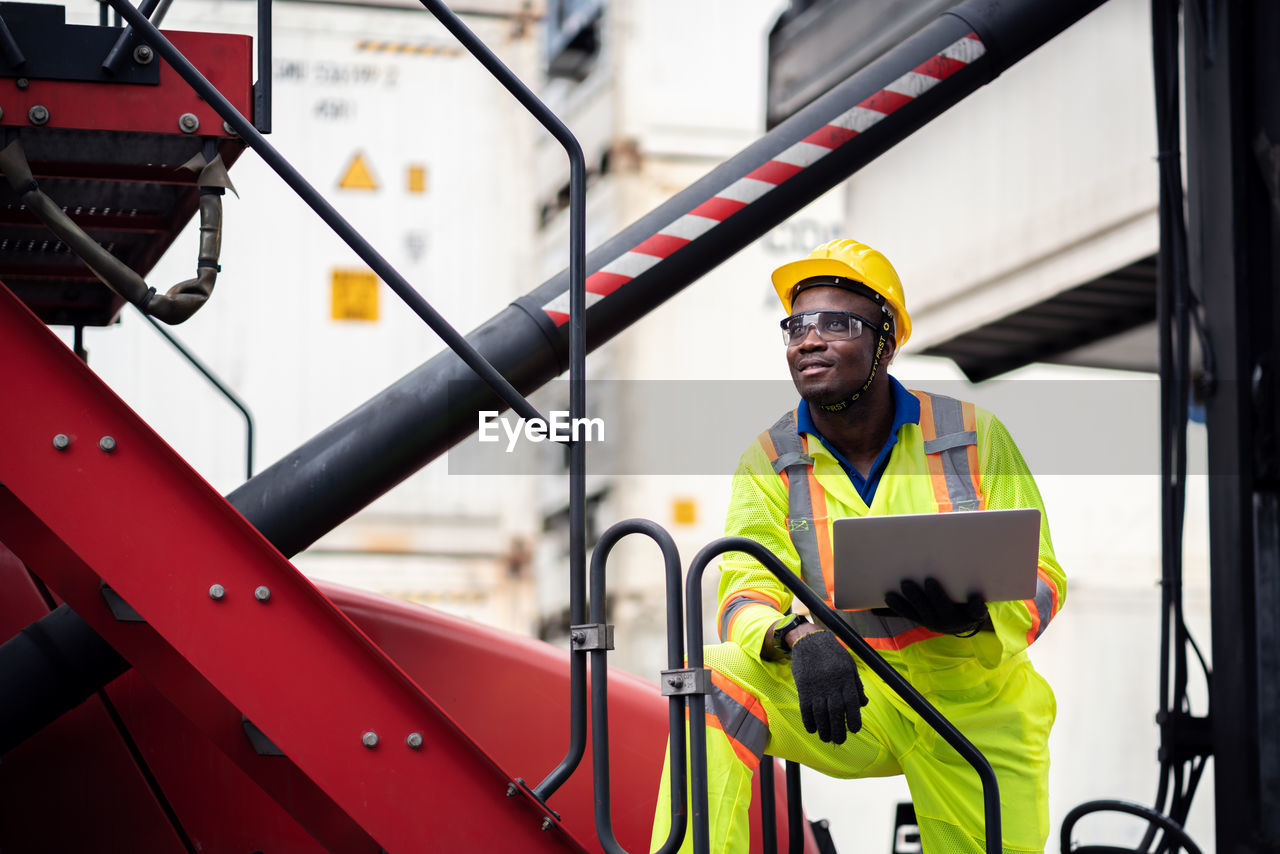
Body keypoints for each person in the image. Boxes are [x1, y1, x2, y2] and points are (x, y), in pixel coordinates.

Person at [651, 239, 1065, 853]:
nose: (808, 340)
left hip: (976, 708)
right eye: (796, 326)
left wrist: (975, 618)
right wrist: (797, 638)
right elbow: (743, 590)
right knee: (714, 679)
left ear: (886, 342)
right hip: (853, 694)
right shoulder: (769, 459)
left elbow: (1044, 578)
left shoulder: (974, 436)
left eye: (837, 323)